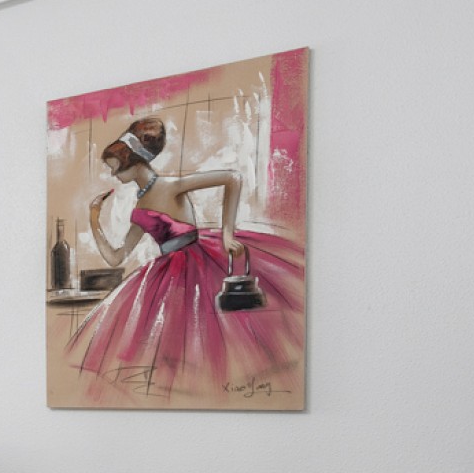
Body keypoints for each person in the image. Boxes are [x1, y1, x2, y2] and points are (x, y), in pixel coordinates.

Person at [66, 116, 304, 403]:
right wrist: (94, 220)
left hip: (198, 264)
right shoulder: (139, 211)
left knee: (209, 335)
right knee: (172, 343)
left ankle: (212, 392)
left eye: (115, 167)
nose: (113, 174)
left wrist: (228, 233)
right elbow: (115, 258)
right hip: (166, 275)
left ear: (133, 162)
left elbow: (232, 178)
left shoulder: (171, 185)